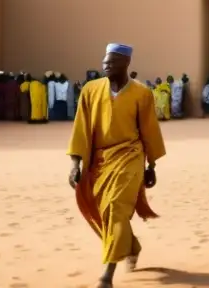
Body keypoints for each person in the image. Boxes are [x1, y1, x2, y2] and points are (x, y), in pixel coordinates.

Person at [68, 43, 166, 287]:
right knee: (105, 212)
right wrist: (75, 164)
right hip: (99, 160)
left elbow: (149, 130)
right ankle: (132, 246)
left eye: (111, 62)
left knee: (115, 207)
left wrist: (151, 166)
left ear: (126, 63)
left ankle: (107, 274)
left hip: (130, 155)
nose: (105, 66)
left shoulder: (142, 94)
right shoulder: (90, 91)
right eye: (104, 62)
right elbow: (80, 128)